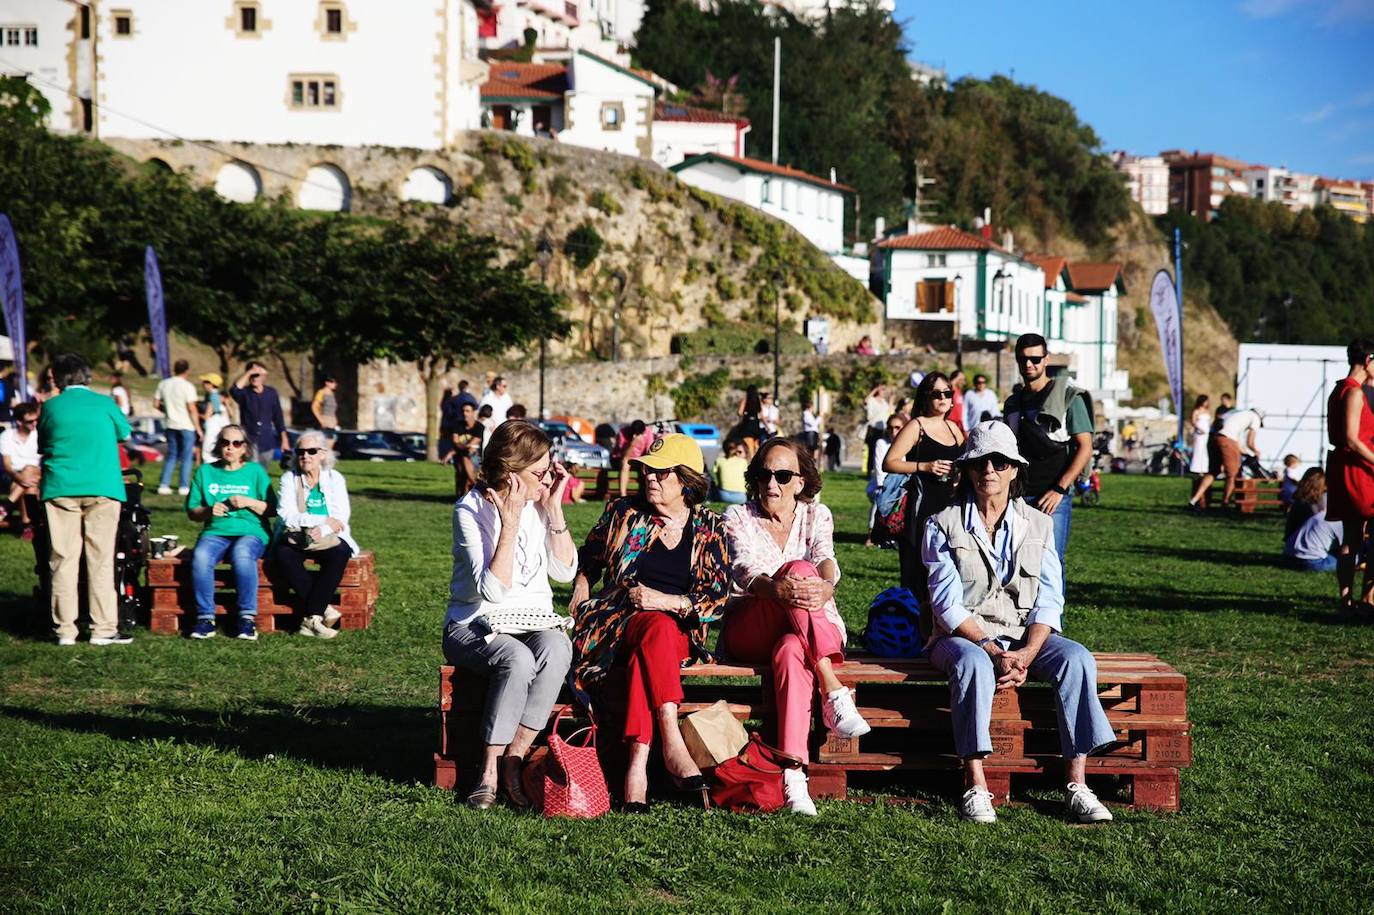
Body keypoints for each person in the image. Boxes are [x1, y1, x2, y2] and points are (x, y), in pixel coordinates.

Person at [921, 420, 1115, 824]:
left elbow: (1049, 599)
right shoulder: (941, 523)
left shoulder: (1039, 524)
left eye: (999, 462)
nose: (988, 470)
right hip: (960, 637)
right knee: (973, 664)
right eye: (979, 463)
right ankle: (975, 785)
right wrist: (992, 649)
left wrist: (1026, 652)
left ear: (1014, 469)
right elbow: (946, 605)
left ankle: (1077, 784)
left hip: (1023, 635)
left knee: (1076, 659)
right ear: (967, 470)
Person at [568, 434, 731, 811]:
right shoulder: (625, 512)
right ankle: (670, 740)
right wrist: (581, 585)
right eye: (647, 471)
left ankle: (637, 769)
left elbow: (718, 598)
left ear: (687, 480)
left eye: (662, 472)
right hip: (617, 625)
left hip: (678, 633)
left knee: (657, 630)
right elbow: (589, 555)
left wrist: (668, 602)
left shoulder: (711, 527)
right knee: (654, 627)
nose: (651, 478)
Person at [719, 438, 870, 815]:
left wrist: (826, 586)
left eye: (783, 475)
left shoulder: (817, 515)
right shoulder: (737, 517)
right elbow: (745, 571)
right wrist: (782, 588)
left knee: (790, 650)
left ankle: (793, 775)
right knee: (798, 571)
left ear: (801, 482)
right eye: (764, 475)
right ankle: (832, 690)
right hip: (753, 623)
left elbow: (826, 559)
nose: (772, 484)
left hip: (808, 628)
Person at [444, 420, 576, 809]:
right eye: (539, 473)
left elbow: (565, 571)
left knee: (557, 648)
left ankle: (514, 758)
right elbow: (493, 590)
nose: (546, 479)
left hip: (530, 621)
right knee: (516, 658)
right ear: (510, 472)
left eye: (548, 470)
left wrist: (552, 509)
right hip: (472, 624)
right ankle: (488, 768)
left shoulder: (540, 504)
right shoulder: (470, 510)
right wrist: (512, 520)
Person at [37, 354, 134, 646]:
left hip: (61, 487)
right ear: (86, 376)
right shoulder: (106, 403)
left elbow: (43, 444)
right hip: (103, 486)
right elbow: (125, 434)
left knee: (63, 560)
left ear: (59, 377)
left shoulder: (51, 406)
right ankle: (102, 629)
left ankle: (65, 630)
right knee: (101, 559)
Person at [1003, 334, 1093, 585]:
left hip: (1053, 495)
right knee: (1016, 559)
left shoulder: (1067, 397)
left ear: (1046, 359)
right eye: (1023, 359)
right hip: (1018, 494)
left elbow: (1085, 447)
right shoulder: (1013, 402)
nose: (1029, 364)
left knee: (1050, 562)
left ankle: (1052, 625)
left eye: (1035, 359)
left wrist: (1059, 489)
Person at [185, 424, 276, 641]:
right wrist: (208, 510)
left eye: (236, 443)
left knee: (242, 554)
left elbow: (273, 509)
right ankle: (206, 618)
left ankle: (246, 618)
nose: (230, 447)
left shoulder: (255, 472)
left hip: (251, 531)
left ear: (245, 448)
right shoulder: (206, 472)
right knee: (201, 557)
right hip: (216, 531)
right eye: (225, 442)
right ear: (219, 445)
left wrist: (249, 502)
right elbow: (192, 512)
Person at [883, 372, 966, 607]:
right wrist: (924, 466)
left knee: (950, 572)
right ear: (926, 397)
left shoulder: (953, 428)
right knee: (919, 573)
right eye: (936, 393)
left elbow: (964, 462)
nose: (942, 398)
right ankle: (913, 629)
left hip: (950, 508)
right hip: (922, 509)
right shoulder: (916, 426)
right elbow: (889, 462)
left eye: (947, 393)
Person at [272, 430, 358, 638]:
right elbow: (286, 514)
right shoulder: (289, 478)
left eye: (312, 451)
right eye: (300, 451)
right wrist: (319, 521)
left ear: (323, 454)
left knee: (340, 552)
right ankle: (321, 611)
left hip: (328, 537)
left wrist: (325, 529)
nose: (305, 456)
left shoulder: (334, 478)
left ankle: (311, 618)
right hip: (296, 537)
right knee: (283, 555)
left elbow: (341, 516)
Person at [1325, 339, 1374, 616]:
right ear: (1368, 360)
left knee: (1352, 537)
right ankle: (1367, 598)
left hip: (1344, 466)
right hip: (1359, 469)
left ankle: (1347, 599)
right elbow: (1353, 439)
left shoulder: (1339, 389)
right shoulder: (1354, 393)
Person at [1187, 406, 1263, 512]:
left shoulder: (1238, 414)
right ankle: (1225, 504)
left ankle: (1194, 500)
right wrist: (1256, 451)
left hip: (1213, 438)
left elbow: (1232, 439)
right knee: (1232, 474)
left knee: (1213, 471)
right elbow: (1249, 442)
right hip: (1226, 440)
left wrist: (1244, 452)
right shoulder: (1255, 418)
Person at [155, 359, 201, 496]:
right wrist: (198, 427)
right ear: (187, 370)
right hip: (186, 425)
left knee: (172, 455)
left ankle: (164, 485)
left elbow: (156, 403)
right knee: (186, 457)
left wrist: (168, 411)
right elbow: (192, 408)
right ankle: (183, 486)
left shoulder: (164, 384)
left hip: (171, 424)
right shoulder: (188, 386)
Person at [232, 362, 290, 470]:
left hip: (267, 441)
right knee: (251, 471)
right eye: (251, 375)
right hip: (249, 440)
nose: (254, 378)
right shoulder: (245, 394)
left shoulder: (271, 393)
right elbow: (234, 390)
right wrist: (250, 371)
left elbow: (278, 417)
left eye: (257, 375)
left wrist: (284, 439)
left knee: (263, 473)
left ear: (264, 376)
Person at [865, 412, 905, 547]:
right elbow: (879, 469)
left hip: (902, 485)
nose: (893, 431)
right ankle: (872, 534)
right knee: (880, 499)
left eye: (897, 427)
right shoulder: (882, 443)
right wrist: (885, 488)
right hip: (881, 484)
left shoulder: (908, 445)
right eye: (890, 428)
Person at [1, 402, 41, 538]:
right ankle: (28, 525)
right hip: (16, 476)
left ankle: (6, 506)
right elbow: (7, 465)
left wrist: (24, 477)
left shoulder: (39, 435)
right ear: (19, 422)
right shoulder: (7, 435)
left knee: (30, 469)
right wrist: (20, 479)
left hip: (37, 473)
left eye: (36, 420)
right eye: (30, 421)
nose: (34, 424)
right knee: (30, 488)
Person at [450, 401, 484, 497]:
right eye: (464, 411)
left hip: (476, 457)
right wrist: (464, 447)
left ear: (473, 412)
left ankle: (467, 491)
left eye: (468, 411)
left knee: (465, 462)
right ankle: (465, 493)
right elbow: (455, 441)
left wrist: (460, 446)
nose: (465, 413)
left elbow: (474, 442)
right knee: (461, 466)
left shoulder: (479, 427)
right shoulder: (457, 425)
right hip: (460, 455)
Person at [617, 419, 656, 498]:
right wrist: (632, 443)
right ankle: (623, 494)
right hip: (623, 458)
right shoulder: (623, 433)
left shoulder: (648, 432)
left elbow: (649, 451)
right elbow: (624, 456)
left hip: (640, 459)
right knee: (625, 464)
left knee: (646, 466)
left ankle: (645, 494)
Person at [199, 373, 230, 463]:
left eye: (205, 382)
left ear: (211, 384)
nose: (203, 384)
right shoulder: (215, 396)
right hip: (214, 427)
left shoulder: (212, 397)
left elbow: (206, 416)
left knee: (207, 455)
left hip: (211, 428)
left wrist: (194, 413)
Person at [712, 439, 749, 504]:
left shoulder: (719, 460)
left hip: (723, 496)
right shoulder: (743, 462)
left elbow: (715, 474)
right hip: (741, 497)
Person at [1188, 396, 1212, 476]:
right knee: (1199, 449)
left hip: (1206, 433)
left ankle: (1204, 468)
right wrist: (1199, 429)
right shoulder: (1196, 411)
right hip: (1199, 433)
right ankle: (1196, 468)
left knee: (1204, 450)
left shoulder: (1207, 411)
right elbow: (1193, 422)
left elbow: (1209, 421)